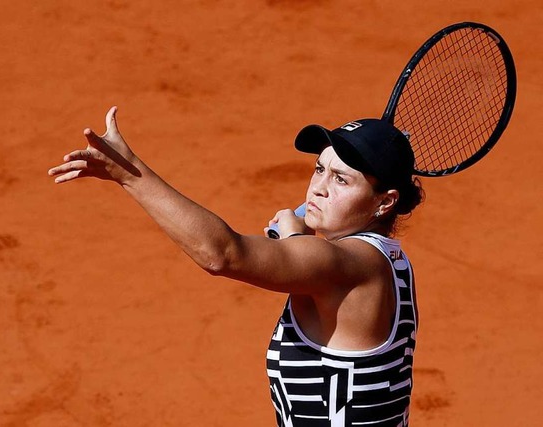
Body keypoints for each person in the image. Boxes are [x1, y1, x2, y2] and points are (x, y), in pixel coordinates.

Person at [48, 106, 424, 427]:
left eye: (341, 179)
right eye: (319, 169)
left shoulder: (351, 265)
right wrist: (298, 240)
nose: (319, 188)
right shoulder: (387, 260)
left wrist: (127, 171)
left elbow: (222, 254)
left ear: (385, 202)